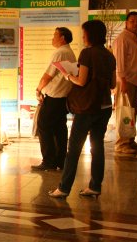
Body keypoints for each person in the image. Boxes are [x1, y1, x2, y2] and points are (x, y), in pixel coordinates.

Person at [48, 20, 116, 198]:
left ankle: (64, 188)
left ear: (91, 35)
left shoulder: (87, 53)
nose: (83, 37)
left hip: (87, 107)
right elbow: (113, 84)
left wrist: (67, 75)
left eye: (84, 33)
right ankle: (95, 186)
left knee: (74, 149)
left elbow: (81, 81)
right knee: (97, 146)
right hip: (105, 106)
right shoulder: (109, 55)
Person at [32, 27, 77, 172]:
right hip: (62, 97)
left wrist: (38, 89)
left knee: (44, 126)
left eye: (55, 35)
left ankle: (49, 161)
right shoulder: (69, 52)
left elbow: (48, 76)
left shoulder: (60, 52)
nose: (52, 38)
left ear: (62, 38)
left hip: (54, 96)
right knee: (59, 129)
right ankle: (60, 160)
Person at [112, 11, 137, 154]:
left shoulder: (133, 38)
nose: (136, 24)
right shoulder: (122, 39)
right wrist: (123, 81)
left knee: (132, 112)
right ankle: (122, 144)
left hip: (135, 80)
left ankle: (130, 140)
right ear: (126, 23)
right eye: (132, 21)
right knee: (125, 112)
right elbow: (119, 62)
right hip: (126, 81)